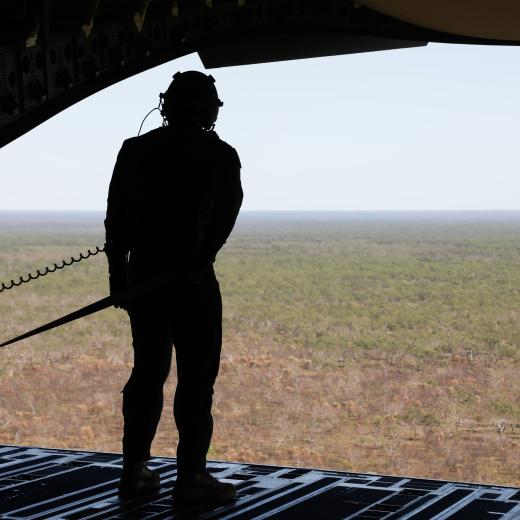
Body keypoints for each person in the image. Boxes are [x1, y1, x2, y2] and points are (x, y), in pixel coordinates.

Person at [104, 71, 243, 503]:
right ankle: (191, 479)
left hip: (145, 281)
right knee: (197, 382)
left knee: (147, 374)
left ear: (167, 105)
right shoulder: (220, 154)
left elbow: (116, 218)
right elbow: (224, 218)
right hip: (193, 285)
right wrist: (199, 262)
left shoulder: (136, 151)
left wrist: (119, 277)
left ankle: (135, 472)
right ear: (209, 109)